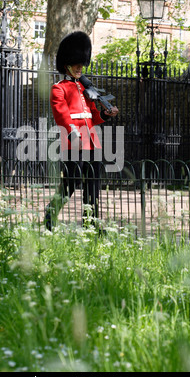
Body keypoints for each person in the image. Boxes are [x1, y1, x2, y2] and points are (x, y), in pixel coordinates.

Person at [44, 31, 118, 231]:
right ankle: (51, 213)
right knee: (70, 185)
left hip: (92, 142)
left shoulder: (86, 90)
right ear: (67, 64)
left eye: (82, 64)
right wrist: (73, 133)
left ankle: (91, 224)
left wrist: (106, 114)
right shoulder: (58, 88)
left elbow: (93, 117)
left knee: (93, 186)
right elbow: (62, 116)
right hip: (73, 142)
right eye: (77, 63)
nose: (80, 67)